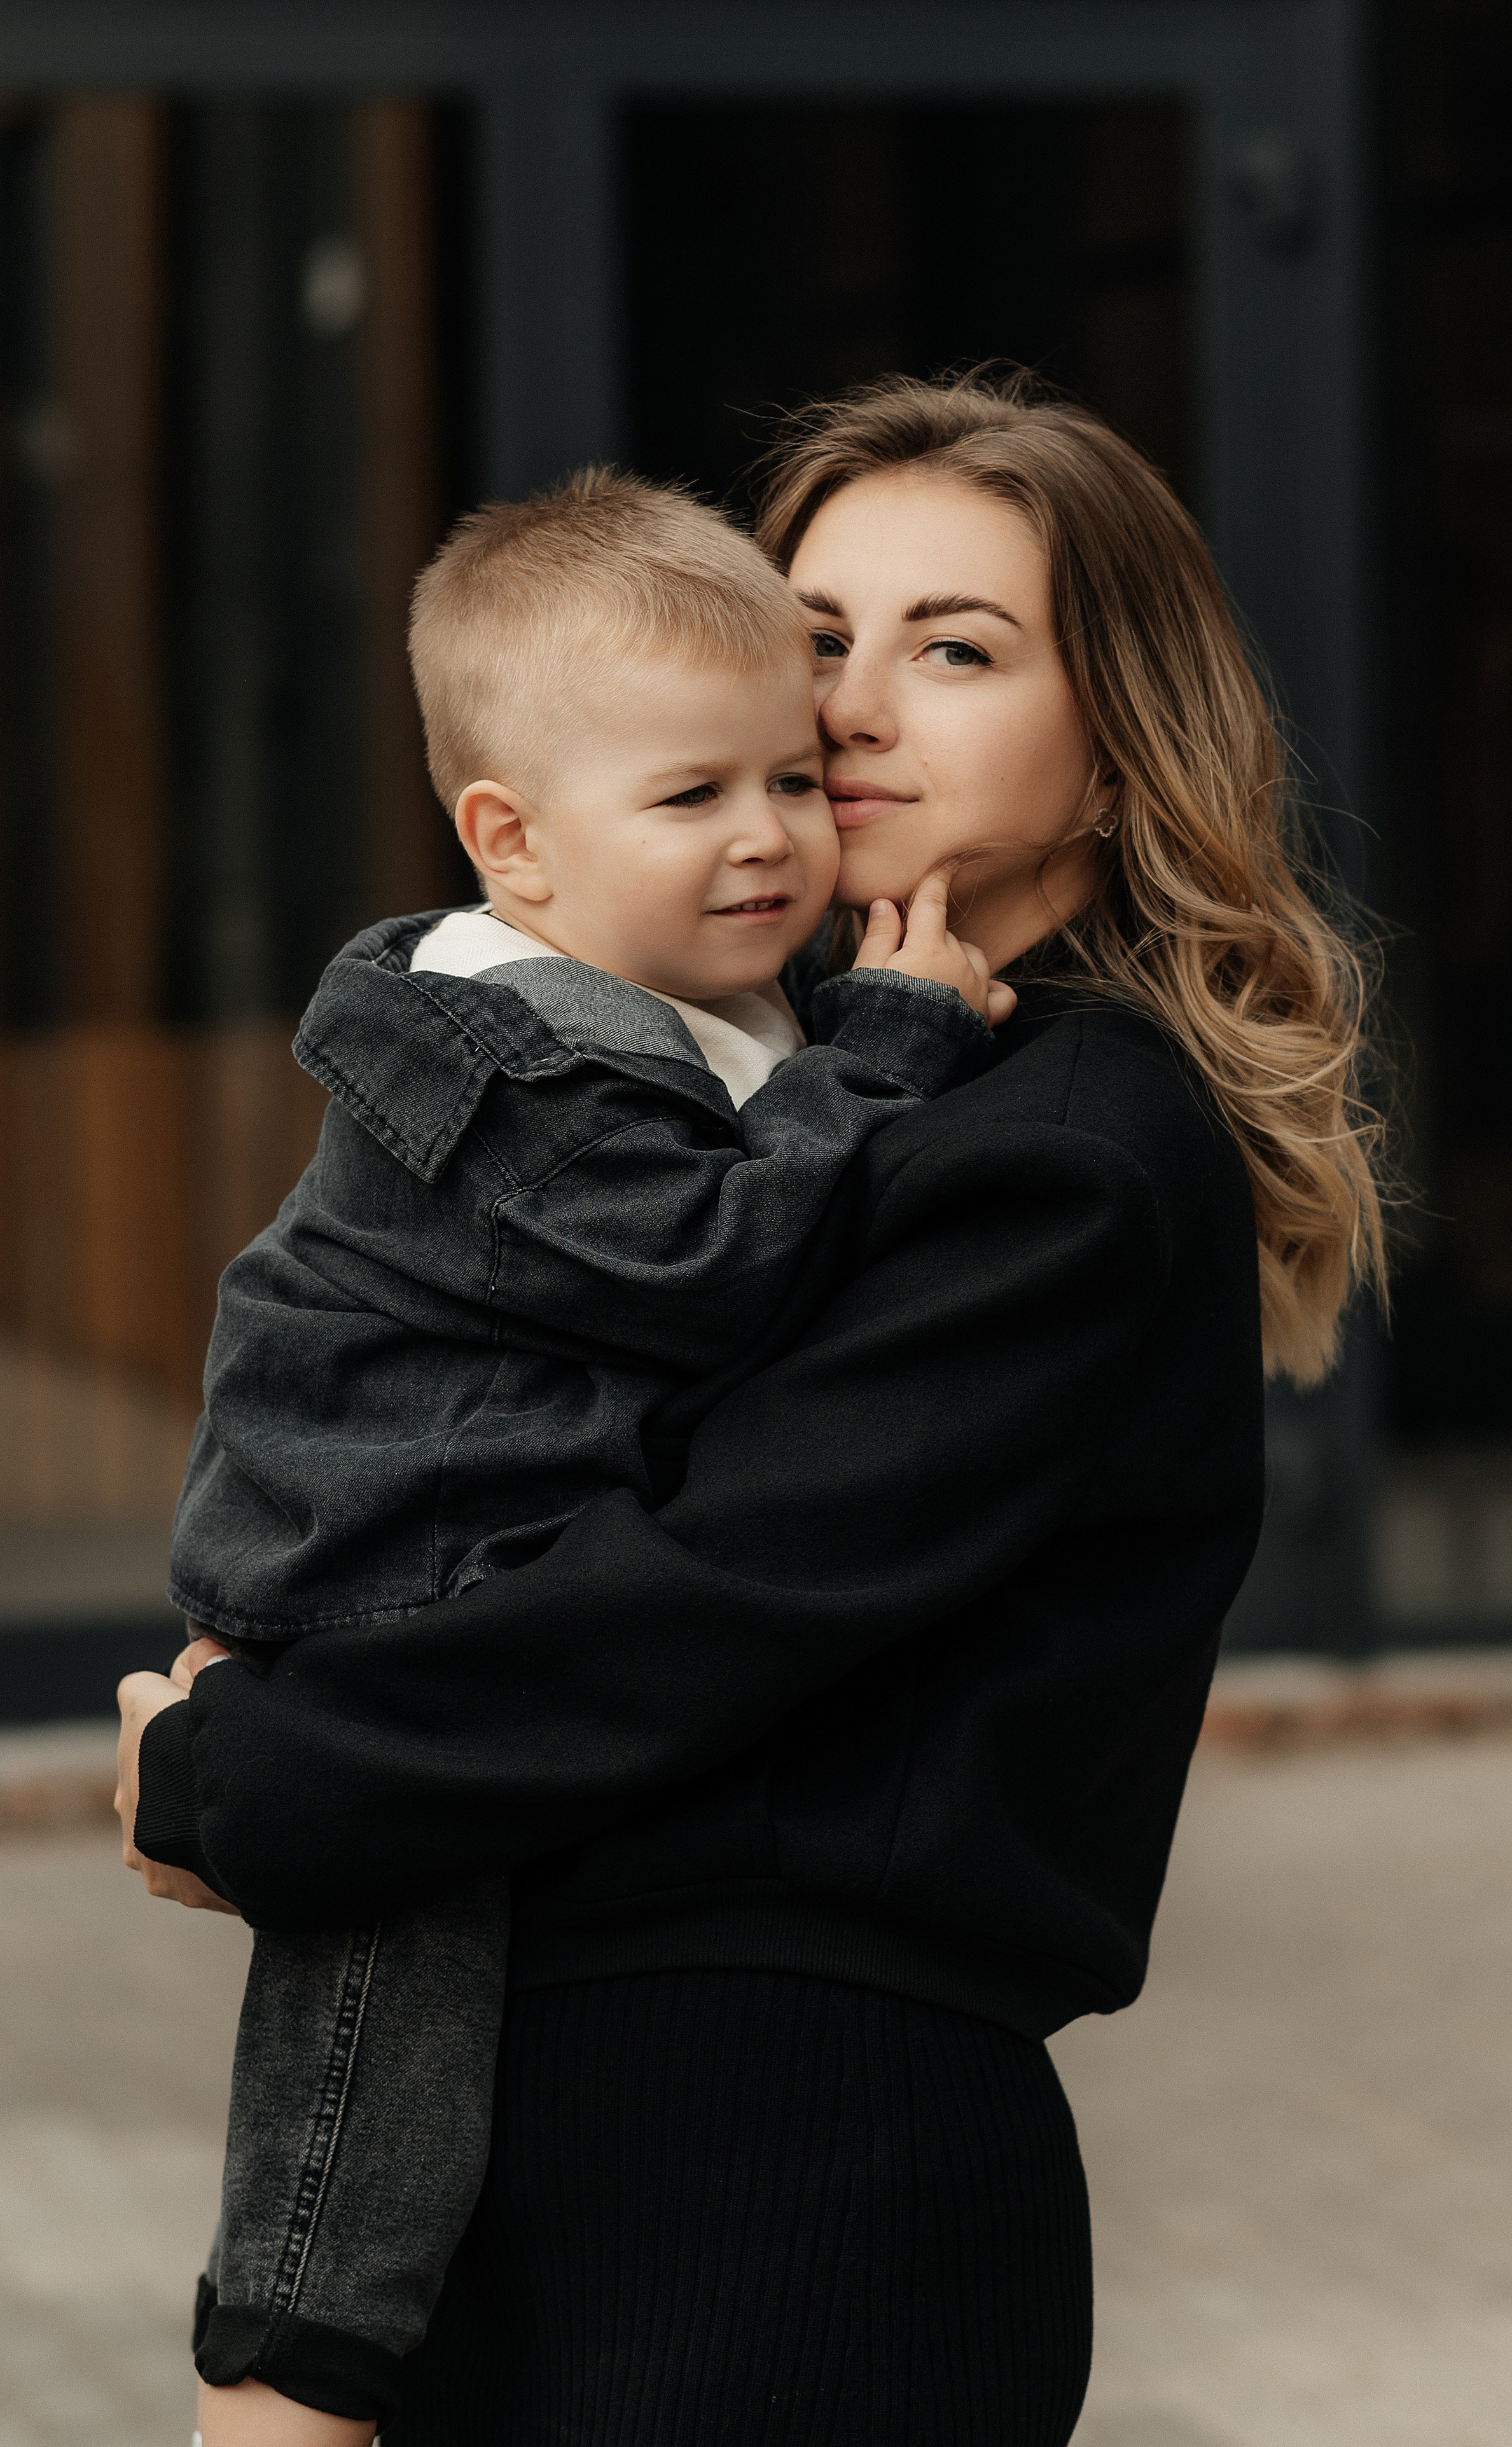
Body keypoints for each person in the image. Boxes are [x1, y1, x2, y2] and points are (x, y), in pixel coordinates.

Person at [118, 371, 1386, 2447]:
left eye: (955, 649)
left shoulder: (1055, 1142)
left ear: (1113, 749)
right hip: (617, 2123)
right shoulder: (785, 1079)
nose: (856, 706)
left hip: (791, 2155)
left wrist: (234, 1773)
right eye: (818, 641)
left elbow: (706, 1595)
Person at [153, 467, 1007, 2444]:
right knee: (385, 1982)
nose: (771, 838)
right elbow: (711, 1271)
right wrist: (890, 1044)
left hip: (496, 1524)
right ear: (510, 843)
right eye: (691, 798)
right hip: (385, 1541)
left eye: (792, 782)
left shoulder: (696, 1005)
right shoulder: (511, 1049)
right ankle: (284, 2378)